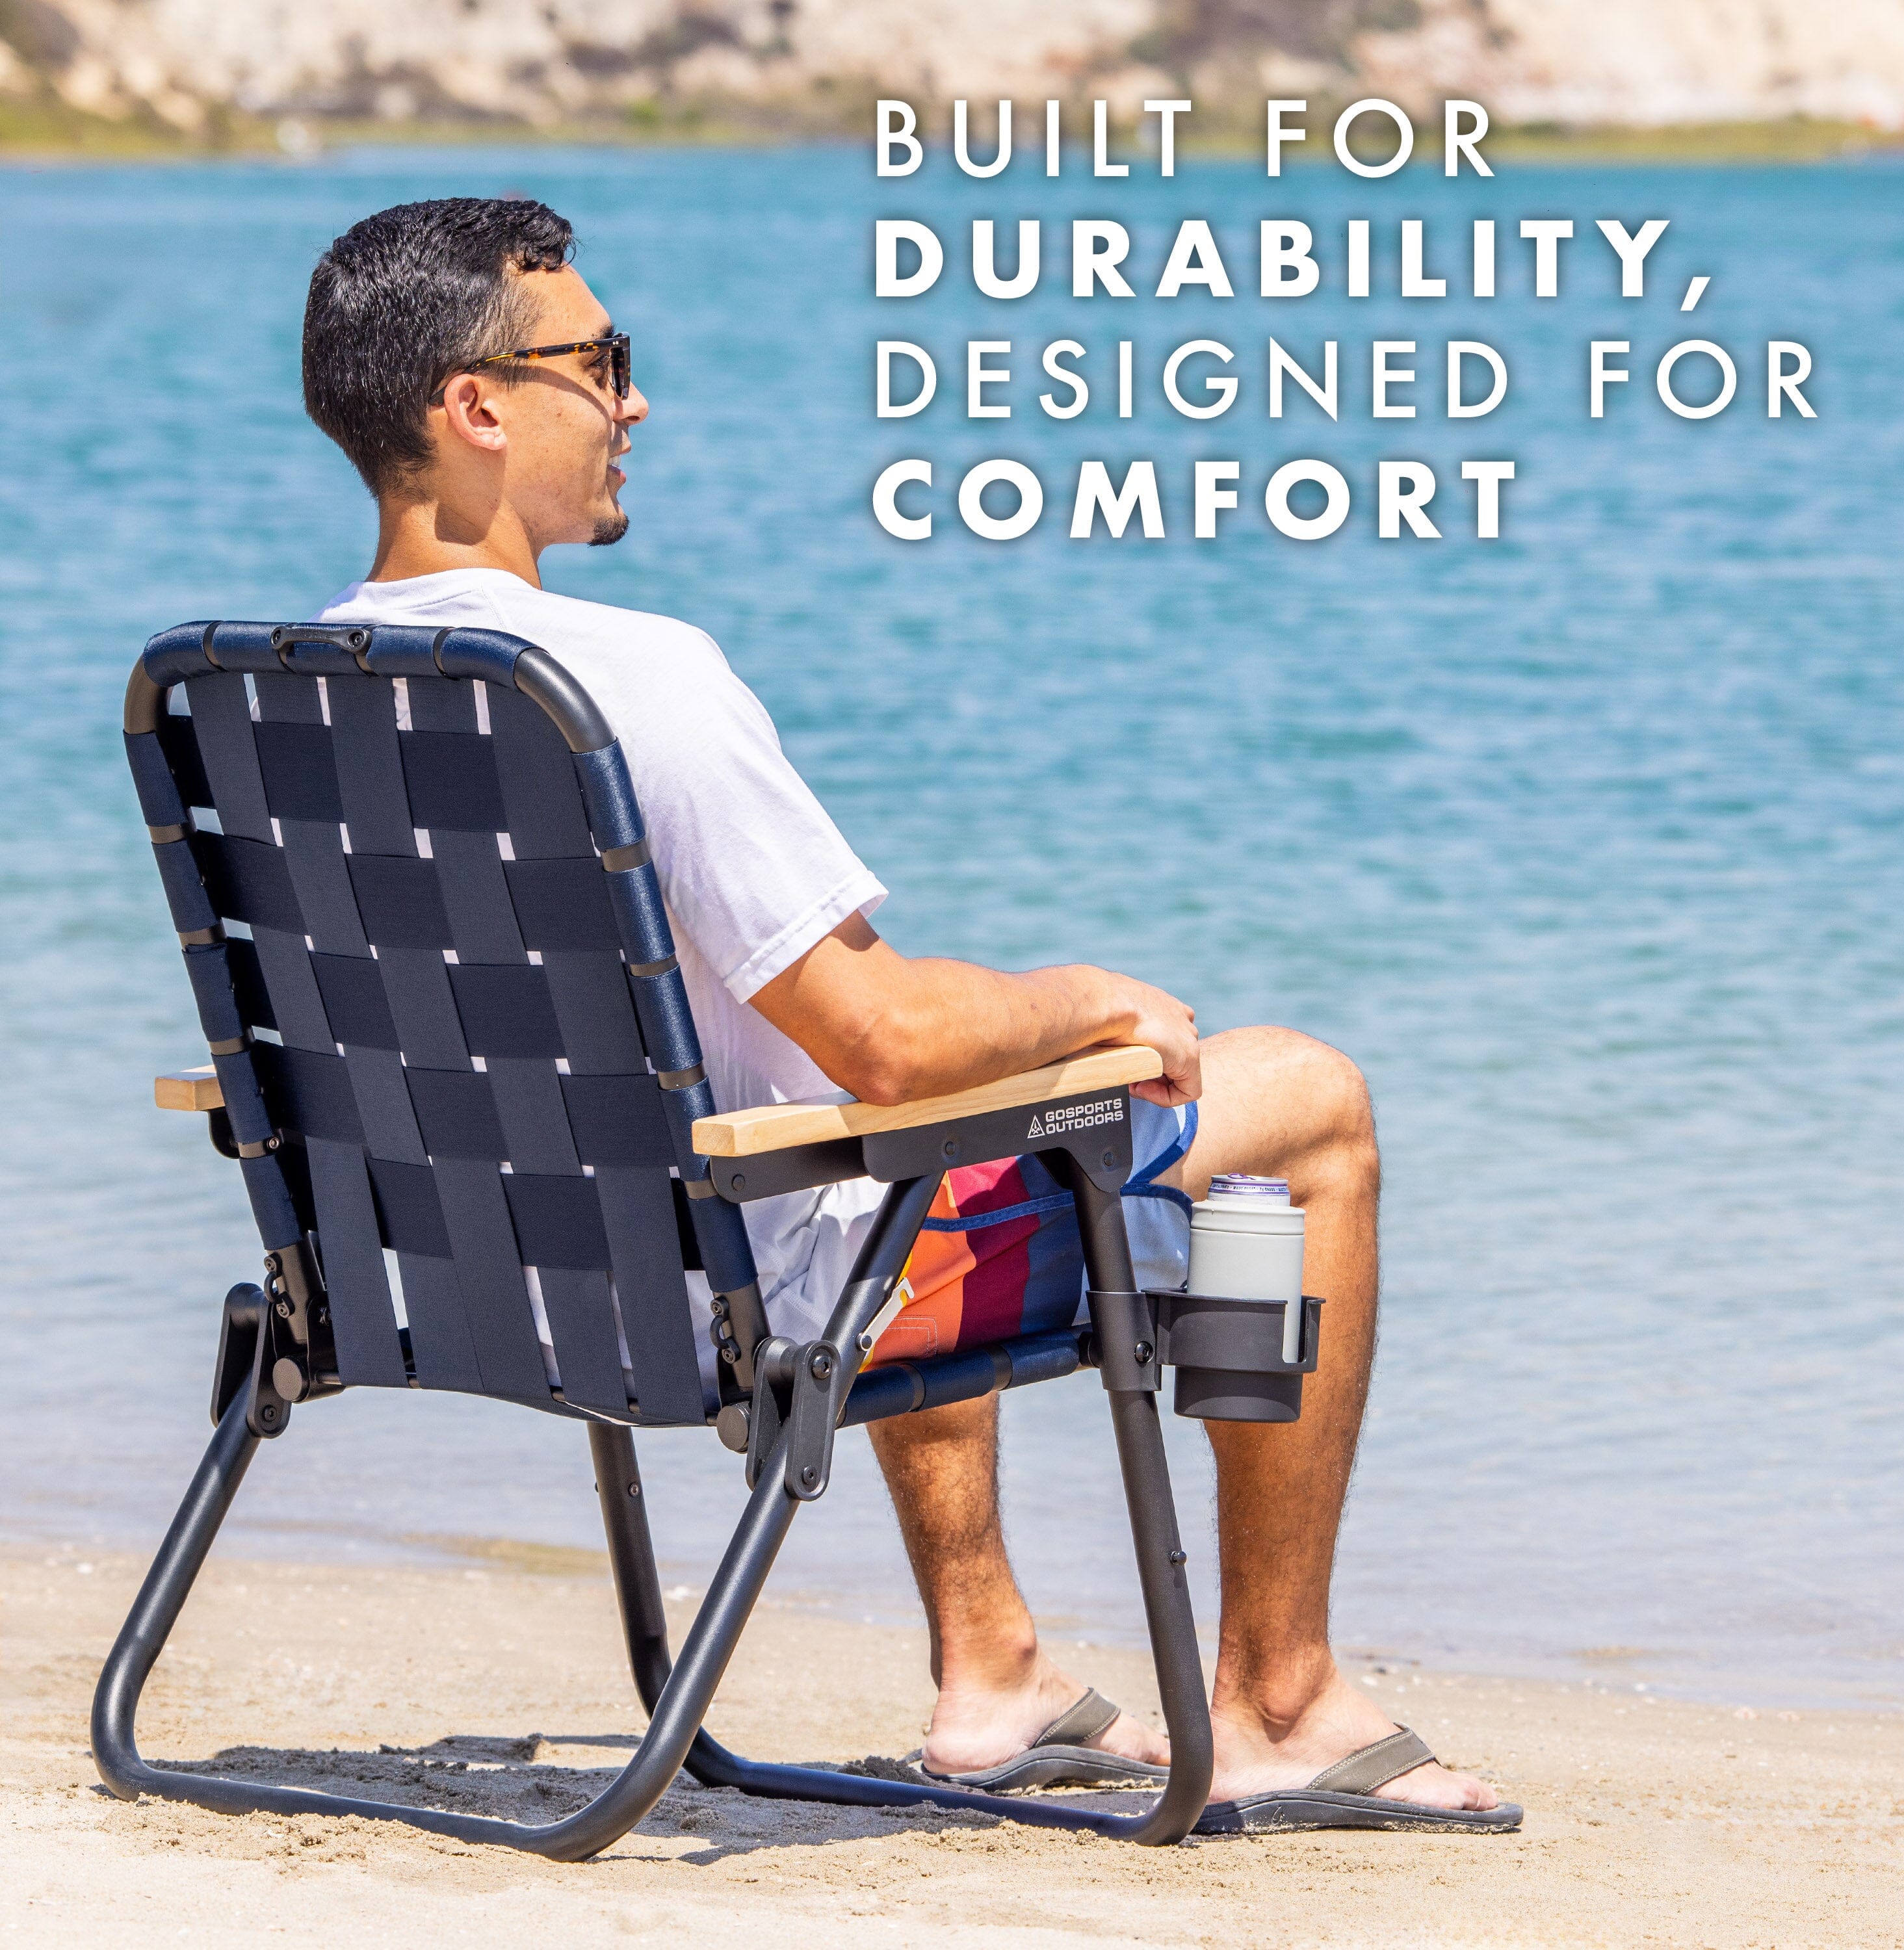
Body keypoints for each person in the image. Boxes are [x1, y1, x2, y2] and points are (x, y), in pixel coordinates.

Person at [300, 195, 1512, 1828]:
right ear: (478, 406)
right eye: (602, 361)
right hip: (746, 1295)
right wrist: (1092, 1001)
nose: (635, 402)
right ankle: (1280, 1699)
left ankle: (993, 1667)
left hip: (463, 1286)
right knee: (1299, 1104)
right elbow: (890, 1045)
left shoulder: (298, 687)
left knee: (905, 1101)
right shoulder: (626, 682)